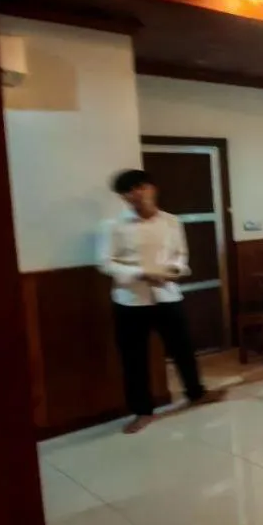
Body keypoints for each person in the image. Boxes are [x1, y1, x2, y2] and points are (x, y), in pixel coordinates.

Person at [99, 169, 224, 433]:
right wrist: (141, 273)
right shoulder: (112, 226)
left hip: (168, 295)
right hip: (130, 300)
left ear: (152, 188)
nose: (136, 193)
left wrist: (174, 271)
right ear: (123, 197)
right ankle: (142, 411)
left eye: (141, 187)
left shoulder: (171, 221)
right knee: (134, 358)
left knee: (183, 348)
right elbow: (105, 263)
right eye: (128, 190)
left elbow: (180, 255)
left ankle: (196, 393)